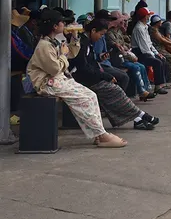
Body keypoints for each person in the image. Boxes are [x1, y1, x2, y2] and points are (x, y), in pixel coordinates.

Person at [26, 9, 126, 147]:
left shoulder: (53, 41)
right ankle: (101, 135)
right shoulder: (43, 45)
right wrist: (63, 55)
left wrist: (74, 38)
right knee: (84, 98)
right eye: (62, 22)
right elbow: (55, 68)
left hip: (57, 79)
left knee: (91, 95)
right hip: (47, 83)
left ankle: (99, 133)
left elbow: (71, 54)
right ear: (55, 26)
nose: (65, 24)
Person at [71, 19, 159, 130]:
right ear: (93, 31)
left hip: (91, 76)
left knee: (116, 92)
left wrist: (99, 58)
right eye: (100, 34)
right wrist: (105, 76)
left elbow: (90, 63)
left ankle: (138, 117)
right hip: (84, 79)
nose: (100, 37)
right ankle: (140, 116)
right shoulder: (83, 44)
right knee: (115, 91)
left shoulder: (88, 43)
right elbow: (84, 67)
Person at [106, 11, 155, 101]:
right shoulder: (110, 33)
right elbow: (120, 47)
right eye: (122, 21)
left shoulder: (119, 32)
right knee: (135, 67)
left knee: (141, 66)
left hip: (124, 56)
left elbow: (126, 44)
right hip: (117, 59)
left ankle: (146, 89)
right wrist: (127, 52)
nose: (124, 23)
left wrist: (126, 48)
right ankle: (141, 91)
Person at [91, 9, 131, 96]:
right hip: (100, 66)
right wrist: (101, 57)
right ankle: (117, 101)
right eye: (107, 20)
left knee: (125, 74)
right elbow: (95, 57)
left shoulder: (105, 32)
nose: (110, 22)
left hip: (106, 63)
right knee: (123, 77)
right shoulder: (97, 33)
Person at [130, 7, 170, 94]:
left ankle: (161, 84)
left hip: (146, 51)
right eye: (148, 15)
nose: (149, 17)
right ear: (145, 17)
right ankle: (158, 86)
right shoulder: (139, 28)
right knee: (157, 62)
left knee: (162, 59)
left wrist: (156, 53)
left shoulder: (144, 27)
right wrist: (153, 55)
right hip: (140, 53)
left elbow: (149, 43)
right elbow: (144, 46)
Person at [149, 15, 171, 83]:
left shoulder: (157, 29)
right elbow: (161, 40)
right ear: (157, 22)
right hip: (157, 49)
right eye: (160, 21)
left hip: (161, 48)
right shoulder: (153, 30)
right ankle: (170, 78)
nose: (161, 23)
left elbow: (163, 37)